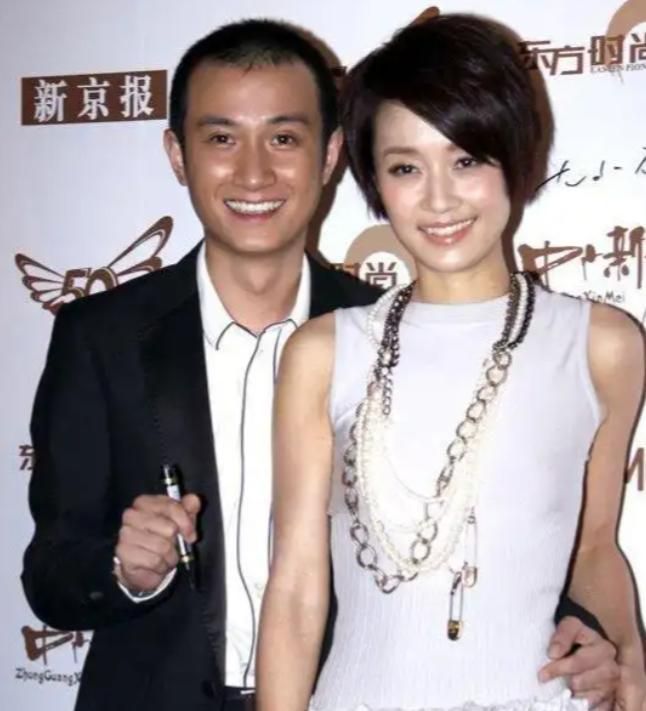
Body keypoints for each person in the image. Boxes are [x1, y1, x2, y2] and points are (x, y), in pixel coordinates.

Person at [22, 16, 617, 711]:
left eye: (284, 138)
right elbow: (51, 572)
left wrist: (586, 633)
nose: (254, 172)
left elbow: (508, 528)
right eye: (221, 139)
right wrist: (123, 569)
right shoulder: (102, 337)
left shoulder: (385, 333)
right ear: (177, 155)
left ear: (331, 153)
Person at [256, 13, 644, 711]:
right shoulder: (324, 352)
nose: (438, 199)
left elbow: (594, 549)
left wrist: (630, 665)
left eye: (466, 160)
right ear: (375, 181)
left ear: (514, 158)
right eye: (406, 168)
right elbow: (295, 590)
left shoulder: (602, 344)